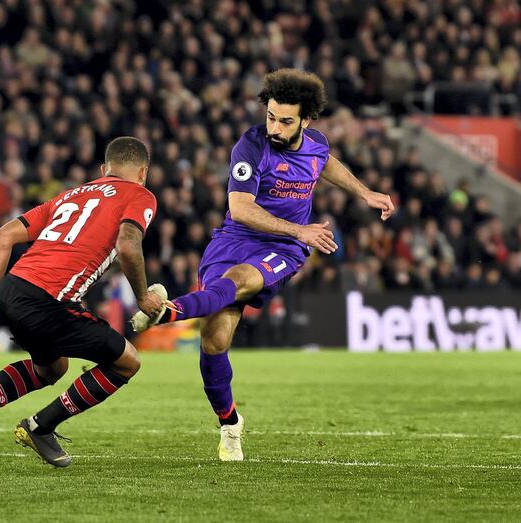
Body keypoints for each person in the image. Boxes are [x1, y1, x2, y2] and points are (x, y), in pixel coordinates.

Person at [131, 69, 395, 461]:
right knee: (214, 340)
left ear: (306, 120)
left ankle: (166, 310)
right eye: (271, 116)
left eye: (286, 120)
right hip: (236, 238)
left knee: (237, 282)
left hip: (283, 248)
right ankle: (230, 423)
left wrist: (364, 192)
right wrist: (302, 229)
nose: (275, 126)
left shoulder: (315, 144)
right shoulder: (252, 146)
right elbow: (240, 208)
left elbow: (326, 162)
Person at [0, 136, 162, 467]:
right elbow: (129, 246)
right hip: (48, 299)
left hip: (13, 289)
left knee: (52, 368)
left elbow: (2, 237)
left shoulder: (71, 195)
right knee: (127, 361)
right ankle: (40, 426)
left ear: (104, 170)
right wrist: (143, 295)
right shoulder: (140, 195)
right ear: (143, 172)